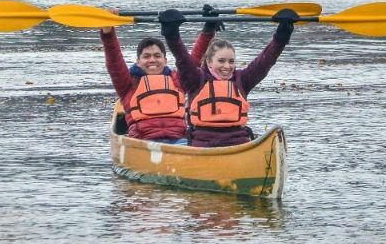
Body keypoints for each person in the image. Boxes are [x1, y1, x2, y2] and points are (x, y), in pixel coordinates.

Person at [162, 8, 297, 148]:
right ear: (208, 62)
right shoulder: (196, 79)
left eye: (231, 61)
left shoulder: (243, 80)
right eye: (221, 61)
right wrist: (172, 35)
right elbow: (182, 58)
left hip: (238, 146)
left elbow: (265, 61)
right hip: (202, 147)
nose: (227, 66)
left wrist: (282, 34)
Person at [100, 9, 221, 144]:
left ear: (165, 61)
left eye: (157, 56)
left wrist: (208, 29)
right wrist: (108, 32)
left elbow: (193, 60)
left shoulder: (177, 80)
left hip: (179, 141)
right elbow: (114, 60)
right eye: (146, 56)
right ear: (138, 62)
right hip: (143, 142)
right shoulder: (128, 84)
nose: (152, 60)